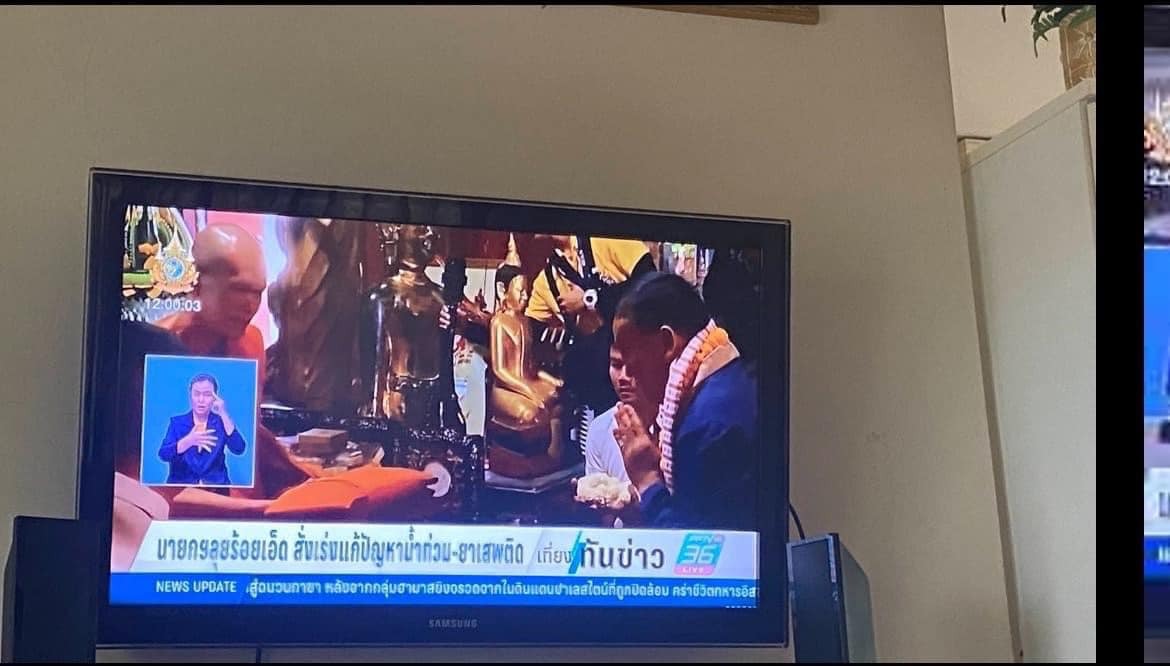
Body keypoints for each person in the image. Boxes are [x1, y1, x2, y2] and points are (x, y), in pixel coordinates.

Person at [154, 223, 308, 500]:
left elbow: (245, 446)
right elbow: (156, 480)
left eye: (257, 292)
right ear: (196, 286)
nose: (250, 305)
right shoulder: (153, 350)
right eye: (239, 289)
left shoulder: (251, 342)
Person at [609, 272, 759, 530]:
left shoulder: (708, 426)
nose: (628, 374)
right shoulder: (727, 380)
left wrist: (647, 480)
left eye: (631, 357)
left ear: (666, 343)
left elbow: (695, 548)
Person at [525, 234, 656, 413]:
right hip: (594, 379)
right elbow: (527, 331)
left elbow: (652, 284)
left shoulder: (608, 238)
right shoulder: (546, 281)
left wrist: (591, 299)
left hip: (639, 363)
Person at [158, 373, 247, 486]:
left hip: (216, 488)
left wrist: (223, 413)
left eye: (207, 394)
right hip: (183, 488)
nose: (201, 400)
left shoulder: (222, 423)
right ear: (190, 396)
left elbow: (239, 449)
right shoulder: (177, 423)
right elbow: (164, 454)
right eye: (196, 394)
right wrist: (188, 441)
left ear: (215, 398)